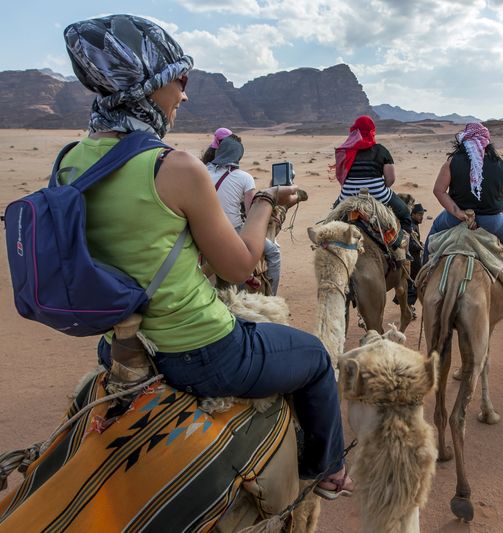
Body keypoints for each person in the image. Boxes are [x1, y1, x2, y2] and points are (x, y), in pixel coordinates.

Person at [62, 14, 350, 499]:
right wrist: (264, 203)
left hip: (120, 347)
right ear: (149, 85)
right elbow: (237, 267)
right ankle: (328, 470)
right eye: (179, 79)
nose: (184, 93)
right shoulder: (174, 166)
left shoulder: (68, 161)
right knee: (317, 359)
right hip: (200, 351)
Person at [426, 122, 503, 300]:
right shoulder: (499, 163)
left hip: (456, 218)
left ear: (465, 140)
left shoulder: (452, 162)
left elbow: (439, 190)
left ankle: (424, 279)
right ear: (486, 141)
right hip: (493, 221)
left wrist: (458, 212)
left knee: (431, 236)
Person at [206, 133, 282, 294]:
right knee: (274, 253)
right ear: (238, 155)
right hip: (232, 231)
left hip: (204, 230)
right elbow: (250, 214)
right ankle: (272, 298)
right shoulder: (245, 177)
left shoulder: (204, 172)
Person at [333, 116, 414, 241]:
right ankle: (405, 245)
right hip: (378, 195)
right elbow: (390, 179)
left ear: (354, 131)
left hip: (348, 196)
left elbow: (341, 178)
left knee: (333, 215)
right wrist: (379, 187)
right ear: (372, 131)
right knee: (404, 213)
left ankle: (324, 239)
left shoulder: (345, 150)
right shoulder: (381, 150)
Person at [407, 203, 426, 311]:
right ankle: (409, 306)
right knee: (416, 282)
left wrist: (420, 244)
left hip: (414, 258)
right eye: (419, 214)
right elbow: (411, 244)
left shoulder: (414, 223)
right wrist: (420, 247)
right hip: (413, 260)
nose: (421, 217)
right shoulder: (411, 226)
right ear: (413, 214)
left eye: (422, 214)